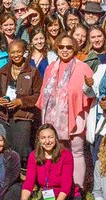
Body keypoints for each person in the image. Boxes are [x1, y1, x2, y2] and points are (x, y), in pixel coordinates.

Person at [38, 35, 94, 191]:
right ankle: (59, 186)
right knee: (58, 153)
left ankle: (77, 188)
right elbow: (44, 95)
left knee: (76, 151)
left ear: (74, 48)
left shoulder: (83, 68)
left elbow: (92, 93)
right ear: (57, 48)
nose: (64, 50)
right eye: (61, 46)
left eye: (69, 47)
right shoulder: (50, 68)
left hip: (76, 116)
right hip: (54, 119)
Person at [5, 124, 82, 200]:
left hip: (68, 198)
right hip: (48, 198)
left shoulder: (66, 155)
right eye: (43, 138)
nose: (47, 141)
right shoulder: (33, 156)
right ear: (39, 140)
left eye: (50, 137)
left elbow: (66, 186)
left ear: (56, 138)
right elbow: (28, 184)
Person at [0, 39, 41, 166]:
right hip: (4, 117)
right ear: (9, 54)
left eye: (19, 51)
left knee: (21, 151)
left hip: (23, 117)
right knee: (5, 150)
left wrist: (21, 101)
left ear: (24, 52)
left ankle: (23, 179)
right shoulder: (3, 71)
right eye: (13, 52)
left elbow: (38, 95)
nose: (16, 55)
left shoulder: (32, 71)